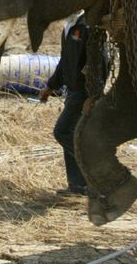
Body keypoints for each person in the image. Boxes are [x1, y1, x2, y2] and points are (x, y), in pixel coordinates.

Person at [39, 12, 103, 196]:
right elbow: (65, 62)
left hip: (83, 90)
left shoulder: (88, 26)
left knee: (63, 131)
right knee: (73, 134)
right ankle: (78, 185)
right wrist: (51, 86)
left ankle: (96, 171)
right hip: (72, 89)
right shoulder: (70, 26)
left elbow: (99, 63)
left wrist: (93, 95)